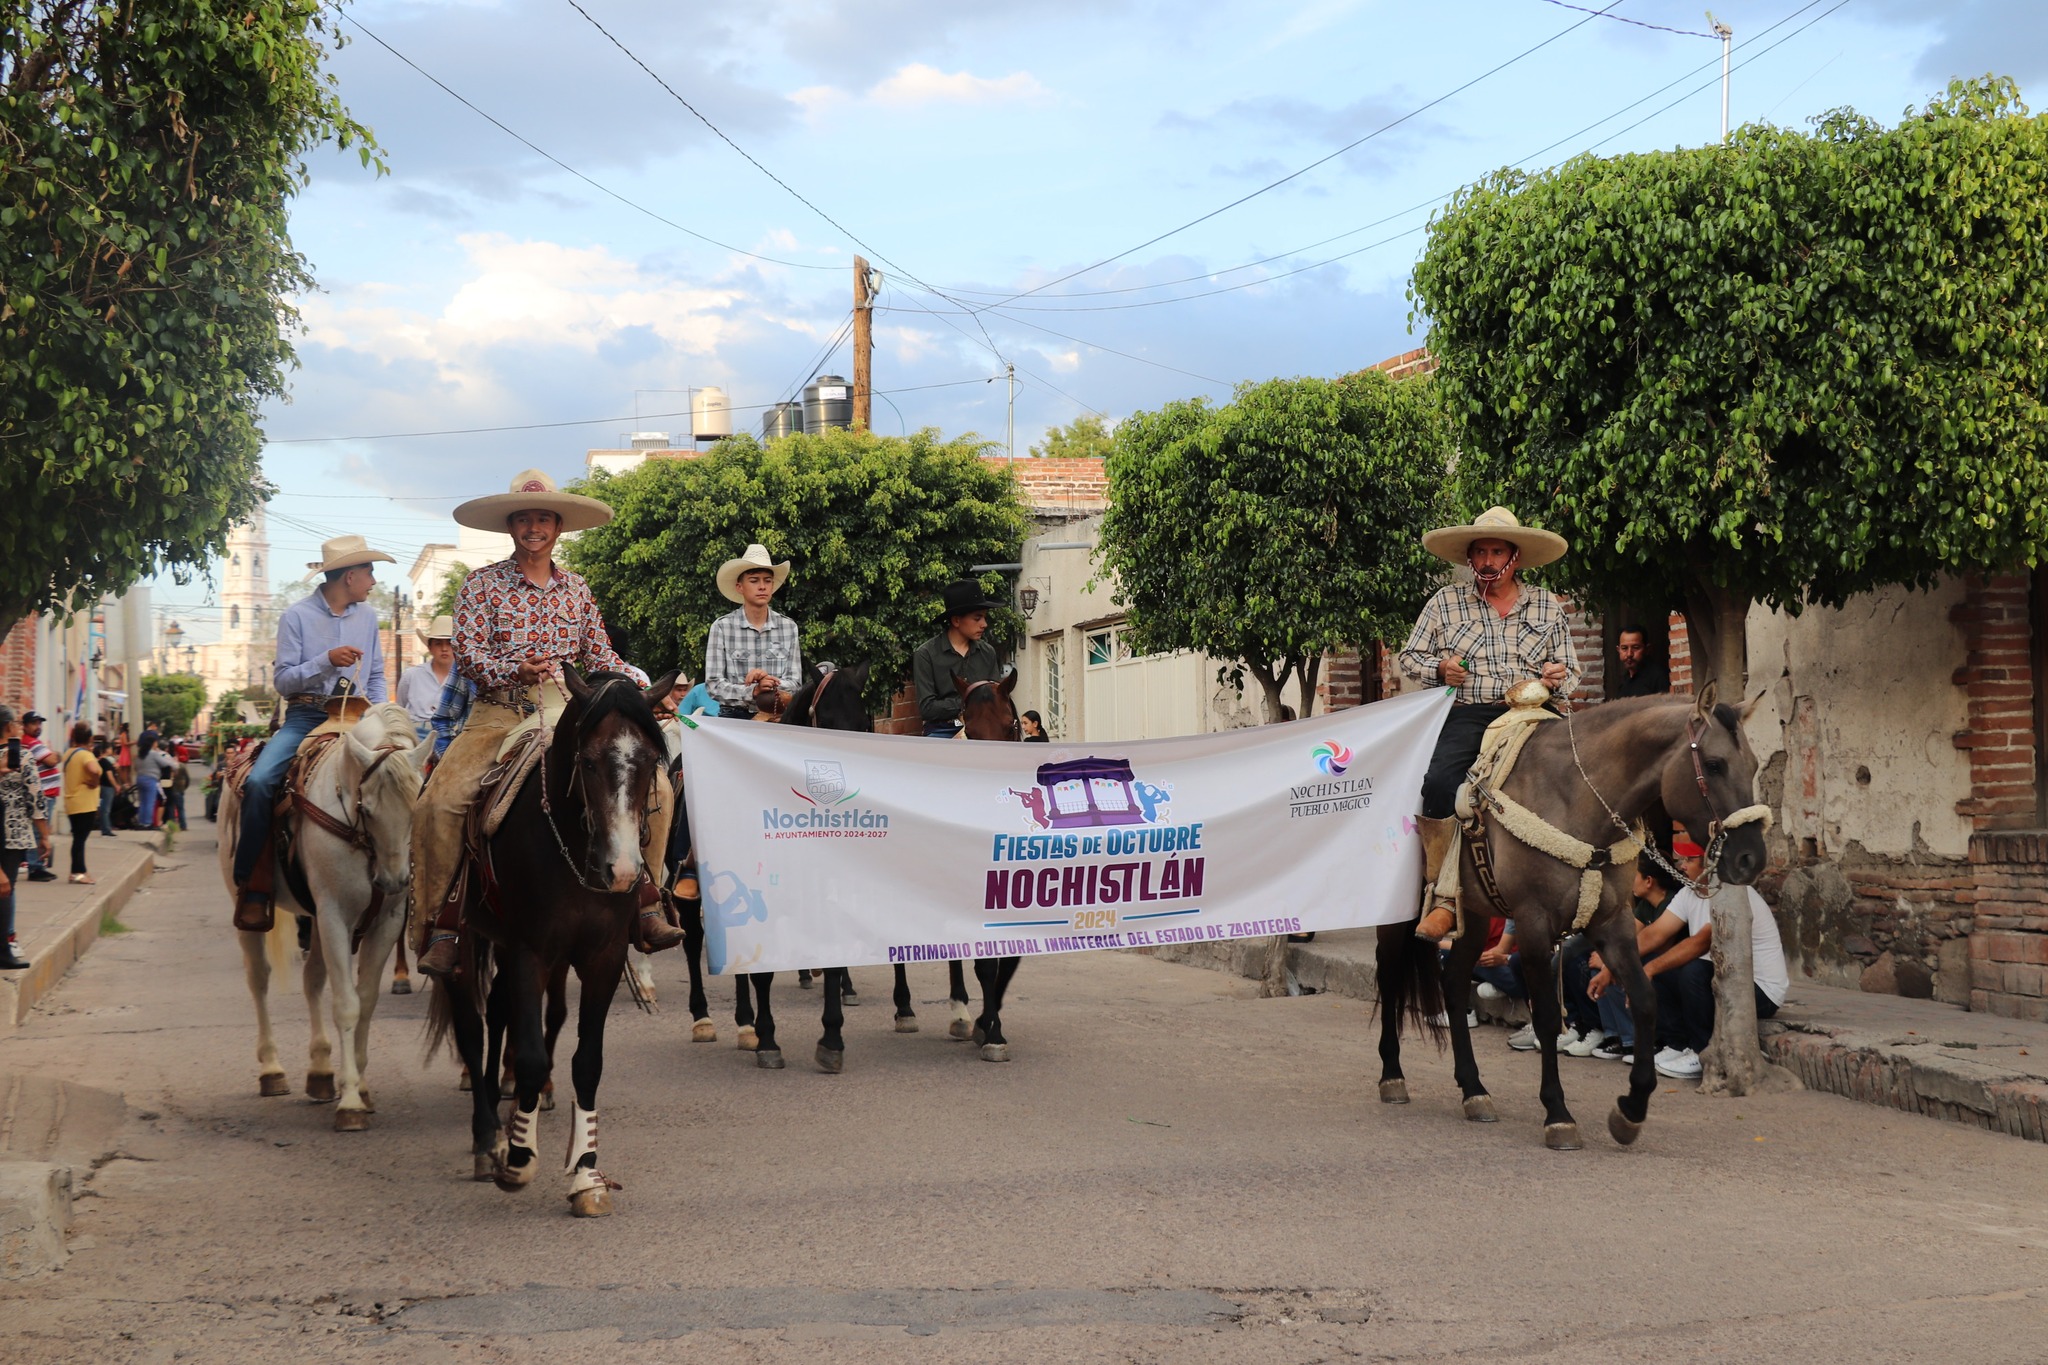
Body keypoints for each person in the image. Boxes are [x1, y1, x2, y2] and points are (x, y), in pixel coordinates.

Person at [411, 468, 680, 980]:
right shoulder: (481, 584)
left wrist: (644, 692)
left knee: (660, 789)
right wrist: (513, 668)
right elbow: (468, 654)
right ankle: (440, 922)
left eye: (544, 519)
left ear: (558, 528)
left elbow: (600, 654)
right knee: (437, 803)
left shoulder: (577, 589)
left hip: (565, 708)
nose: (534, 527)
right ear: (511, 526)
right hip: (496, 712)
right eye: (525, 519)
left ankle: (647, 898)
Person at [1398, 506, 1581, 939]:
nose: (1487, 560)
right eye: (1479, 551)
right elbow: (1409, 658)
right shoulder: (1444, 602)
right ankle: (1443, 895)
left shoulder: (1545, 606)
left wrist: (1557, 678)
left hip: (1536, 713)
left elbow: (1572, 672)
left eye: (1496, 551)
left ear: (1514, 556)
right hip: (1471, 713)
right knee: (1441, 781)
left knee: (1583, 776)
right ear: (1469, 559)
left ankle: (1590, 880)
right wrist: (1440, 668)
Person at [232, 533, 393, 931]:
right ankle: (254, 886)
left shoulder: (368, 618)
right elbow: (284, 682)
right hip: (306, 717)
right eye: (369, 572)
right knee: (259, 783)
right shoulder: (296, 616)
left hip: (358, 717)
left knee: (399, 780)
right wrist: (326, 660)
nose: (374, 581)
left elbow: (374, 676)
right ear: (349, 576)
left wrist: (383, 721)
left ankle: (400, 881)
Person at [1587, 826, 1790, 1079]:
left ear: (1710, 862)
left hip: (1760, 990)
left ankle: (1701, 1050)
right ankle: (1677, 1044)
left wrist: (1648, 969)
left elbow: (1700, 943)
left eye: (1689, 860)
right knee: (1656, 964)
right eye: (1680, 860)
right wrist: (1612, 967)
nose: (1682, 866)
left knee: (1688, 970)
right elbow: (1654, 934)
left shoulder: (1731, 894)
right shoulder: (1688, 893)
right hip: (1725, 981)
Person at [1559, 850, 1682, 1060]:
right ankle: (1613, 1034)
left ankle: (1637, 1039)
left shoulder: (1670, 903)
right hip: (1648, 958)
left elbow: (1660, 945)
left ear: (1649, 881)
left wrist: (1611, 963)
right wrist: (1607, 958)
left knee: (1622, 970)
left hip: (1669, 965)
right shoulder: (1645, 906)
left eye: (1633, 874)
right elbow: (1626, 938)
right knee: (1589, 965)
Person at [703, 544, 801, 720]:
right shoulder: (722, 627)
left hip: (777, 717)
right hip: (734, 717)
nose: (762, 586)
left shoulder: (789, 627)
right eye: (754, 580)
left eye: (767, 580)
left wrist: (769, 684)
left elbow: (795, 683)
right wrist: (753, 691)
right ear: (740, 587)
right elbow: (714, 685)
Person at [912, 581, 1005, 737]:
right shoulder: (925, 654)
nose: (984, 624)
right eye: (977, 618)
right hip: (941, 731)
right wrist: (970, 703)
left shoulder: (987, 652)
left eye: (984, 618)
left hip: (982, 729)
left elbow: (996, 699)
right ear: (956, 621)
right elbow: (927, 708)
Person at [0, 706, 53, 969]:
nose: (19, 728)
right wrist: (44, 836)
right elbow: (35, 797)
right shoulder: (22, 755)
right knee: (6, 888)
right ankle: (4, 948)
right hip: (13, 832)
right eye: (16, 724)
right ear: (8, 727)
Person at [397, 614, 459, 740]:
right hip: (415, 735)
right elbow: (400, 710)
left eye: (449, 643)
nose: (444, 649)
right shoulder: (411, 675)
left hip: (453, 736)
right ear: (430, 647)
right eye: (438, 644)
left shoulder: (466, 679)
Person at [19, 712, 60, 881]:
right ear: (25, 726)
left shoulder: (33, 743)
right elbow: (52, 760)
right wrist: (55, 754)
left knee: (38, 831)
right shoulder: (31, 743)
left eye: (39, 723)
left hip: (45, 794)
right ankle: (35, 867)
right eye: (34, 723)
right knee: (38, 832)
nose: (38, 727)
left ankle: (38, 865)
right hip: (42, 795)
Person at [60, 722, 101, 884]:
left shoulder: (69, 753)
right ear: (90, 738)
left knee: (78, 838)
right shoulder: (86, 755)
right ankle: (78, 873)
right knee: (80, 839)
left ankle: (78, 871)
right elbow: (94, 770)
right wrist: (95, 781)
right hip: (84, 803)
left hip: (72, 801)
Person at [1614, 624, 1670, 698]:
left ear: (1647, 649)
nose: (1629, 654)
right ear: (1618, 650)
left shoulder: (1658, 678)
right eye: (1624, 648)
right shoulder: (1624, 681)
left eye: (1635, 648)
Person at [134, 732, 166, 830]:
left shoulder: (139, 754)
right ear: (153, 743)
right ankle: (148, 823)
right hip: (151, 779)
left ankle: (142, 822)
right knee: (150, 802)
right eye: (156, 742)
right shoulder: (153, 754)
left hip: (140, 778)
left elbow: (136, 767)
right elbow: (164, 763)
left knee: (143, 802)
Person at [93, 739, 117, 836]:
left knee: (103, 809)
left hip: (101, 786)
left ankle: (104, 828)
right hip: (108, 787)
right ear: (106, 750)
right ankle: (106, 829)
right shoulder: (107, 762)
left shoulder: (100, 761)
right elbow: (110, 776)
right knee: (106, 809)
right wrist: (116, 786)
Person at [164, 749, 190, 832]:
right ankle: (183, 826)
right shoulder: (181, 766)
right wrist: (184, 787)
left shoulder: (168, 767)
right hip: (179, 790)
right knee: (180, 808)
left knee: (171, 808)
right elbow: (187, 779)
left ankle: (173, 826)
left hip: (171, 789)